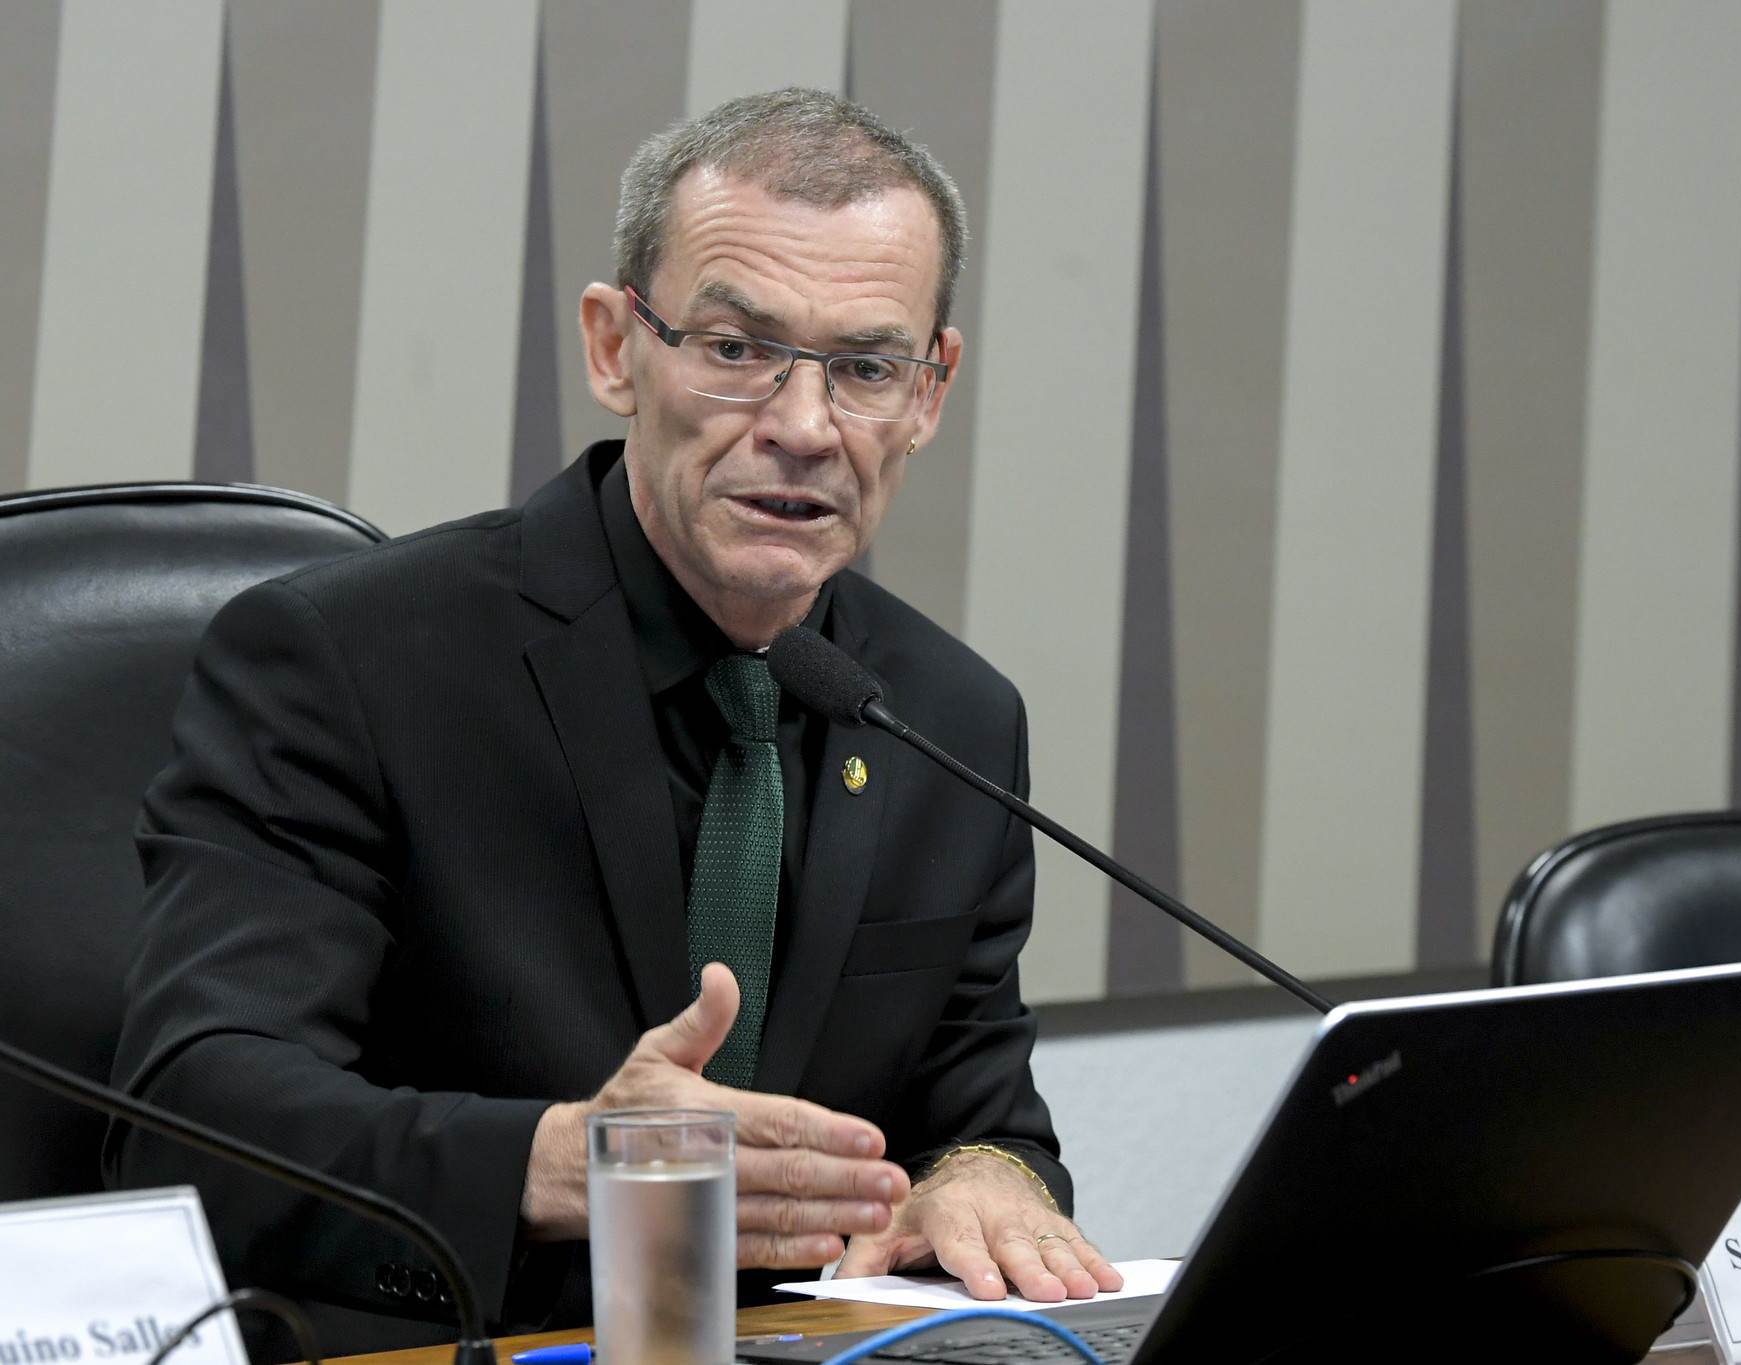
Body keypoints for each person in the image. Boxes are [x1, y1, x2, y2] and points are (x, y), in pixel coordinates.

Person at [107, 87, 1120, 1354]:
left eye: (864, 368)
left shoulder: (948, 718)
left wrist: (985, 1179)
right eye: (737, 350)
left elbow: (977, 1110)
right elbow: (192, 1114)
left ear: (928, 392)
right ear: (614, 347)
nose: (803, 429)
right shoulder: (345, 664)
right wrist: (556, 1164)